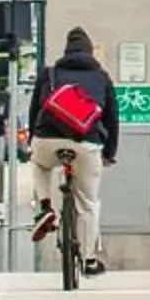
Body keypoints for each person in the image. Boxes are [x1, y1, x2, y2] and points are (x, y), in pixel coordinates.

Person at [25, 26, 119, 275]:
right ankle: (88, 260)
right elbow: (112, 120)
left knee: (38, 162)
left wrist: (32, 141)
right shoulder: (102, 77)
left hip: (48, 138)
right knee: (87, 203)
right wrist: (109, 153)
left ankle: (45, 207)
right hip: (86, 142)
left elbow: (34, 111)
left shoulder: (50, 73)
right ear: (90, 52)